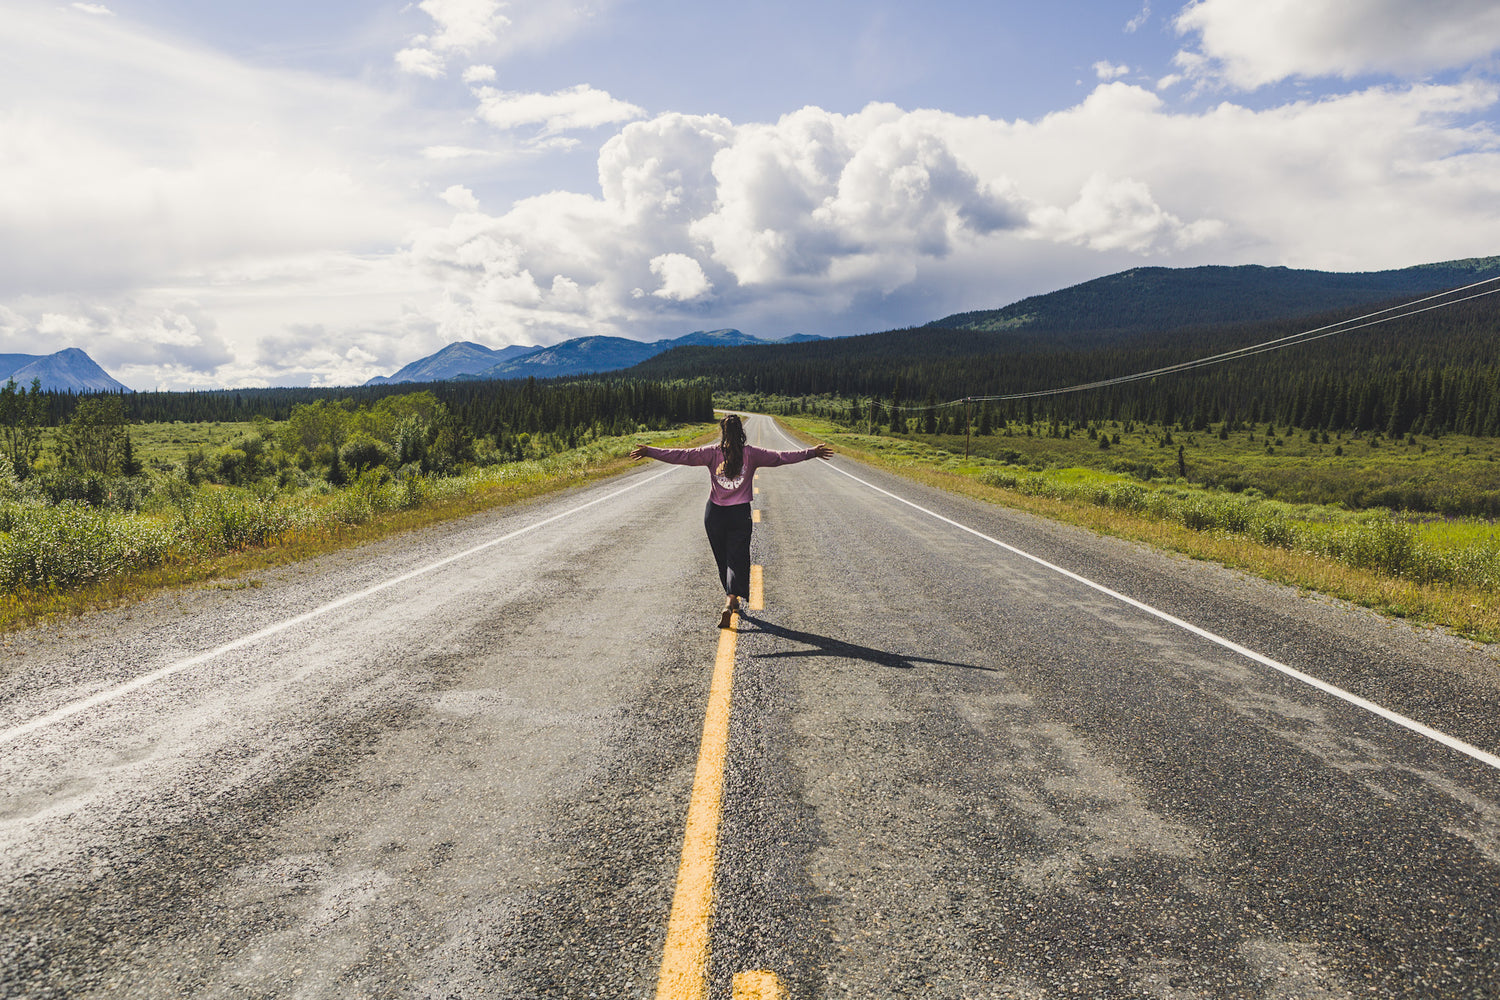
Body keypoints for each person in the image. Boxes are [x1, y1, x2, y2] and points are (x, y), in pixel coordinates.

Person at [630, 414, 833, 628]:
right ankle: (730, 600)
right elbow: (782, 457)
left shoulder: (711, 453)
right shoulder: (752, 454)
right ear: (742, 433)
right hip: (739, 513)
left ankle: (731, 598)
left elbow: (681, 455)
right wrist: (812, 452)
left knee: (723, 559)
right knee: (737, 559)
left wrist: (649, 451)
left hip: (714, 514)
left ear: (723, 432)